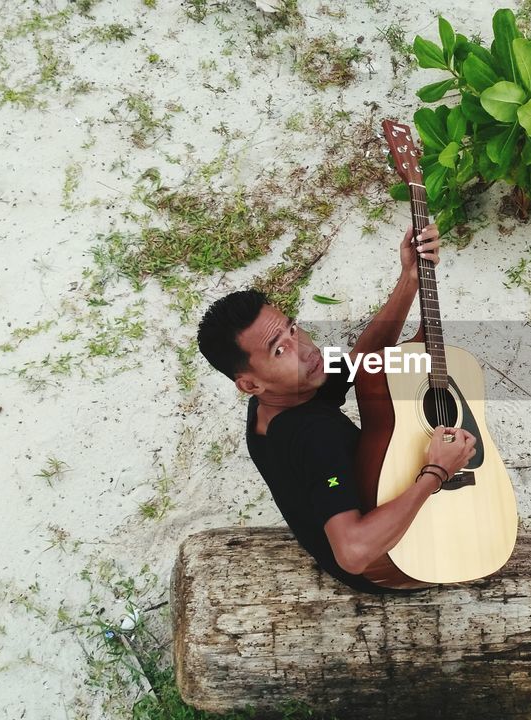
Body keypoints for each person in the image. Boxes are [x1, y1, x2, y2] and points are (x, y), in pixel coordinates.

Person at [195, 223, 476, 594]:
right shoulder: (315, 439)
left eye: (292, 329)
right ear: (249, 384)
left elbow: (362, 362)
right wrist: (436, 471)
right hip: (390, 562)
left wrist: (409, 278)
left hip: (359, 500)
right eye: (279, 350)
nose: (304, 349)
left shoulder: (285, 391)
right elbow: (354, 552)